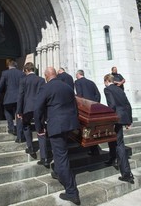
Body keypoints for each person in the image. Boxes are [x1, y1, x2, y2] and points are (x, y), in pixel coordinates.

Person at [34, 67, 80, 205]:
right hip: (69, 124)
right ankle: (59, 173)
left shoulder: (46, 87)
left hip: (57, 126)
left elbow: (37, 109)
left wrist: (39, 127)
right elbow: (75, 106)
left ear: (46, 76)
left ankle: (72, 192)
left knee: (60, 156)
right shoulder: (67, 87)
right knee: (62, 153)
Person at [103, 73, 134, 184]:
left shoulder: (107, 90)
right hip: (123, 117)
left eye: (104, 82)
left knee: (119, 144)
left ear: (107, 81)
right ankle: (112, 158)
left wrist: (110, 119)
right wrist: (129, 120)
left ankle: (126, 173)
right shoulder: (119, 89)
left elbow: (112, 105)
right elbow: (127, 105)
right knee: (114, 140)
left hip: (115, 118)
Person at [16, 62, 47, 163]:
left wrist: (19, 111)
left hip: (27, 108)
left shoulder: (23, 80)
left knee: (26, 126)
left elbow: (20, 96)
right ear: (33, 69)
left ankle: (30, 147)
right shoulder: (41, 80)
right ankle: (44, 157)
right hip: (39, 108)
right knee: (41, 130)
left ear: (26, 70)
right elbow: (44, 95)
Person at [0, 59, 24, 141]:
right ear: (15, 65)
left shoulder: (5, 73)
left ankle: (11, 128)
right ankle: (20, 137)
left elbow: (0, 85)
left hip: (9, 98)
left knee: (7, 111)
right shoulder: (21, 73)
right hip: (19, 98)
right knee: (19, 116)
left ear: (9, 66)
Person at [75, 69, 101, 155]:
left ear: (78, 75)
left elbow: (79, 95)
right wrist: (95, 104)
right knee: (93, 129)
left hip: (85, 109)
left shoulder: (78, 82)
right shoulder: (91, 82)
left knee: (86, 129)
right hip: (94, 108)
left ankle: (92, 149)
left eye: (76, 75)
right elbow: (98, 94)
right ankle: (95, 149)